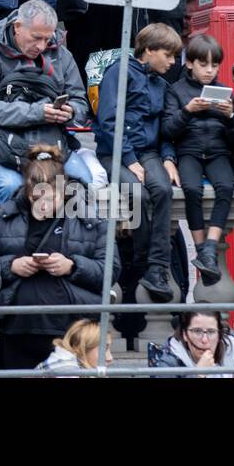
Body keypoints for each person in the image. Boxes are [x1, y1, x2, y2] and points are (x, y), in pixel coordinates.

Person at [0, 145, 114, 369]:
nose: (43, 204)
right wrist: (12, 265)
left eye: (51, 196)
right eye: (37, 196)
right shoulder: (4, 217)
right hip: (17, 329)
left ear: (64, 188)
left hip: (70, 332)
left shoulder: (91, 220)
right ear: (27, 191)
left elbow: (110, 271)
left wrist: (72, 266)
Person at [0, 1, 93, 208]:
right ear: (17, 27)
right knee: (11, 185)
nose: (42, 46)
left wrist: (71, 112)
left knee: (82, 182)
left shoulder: (61, 55)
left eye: (47, 38)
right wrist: (37, 112)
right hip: (2, 149)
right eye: (36, 38)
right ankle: (4, 238)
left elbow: (80, 103)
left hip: (52, 145)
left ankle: (75, 238)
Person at [94, 22, 182, 302]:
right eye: (168, 55)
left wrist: (168, 158)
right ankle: (144, 261)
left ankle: (158, 268)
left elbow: (166, 128)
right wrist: (130, 161)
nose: (172, 62)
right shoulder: (118, 73)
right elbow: (108, 121)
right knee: (138, 193)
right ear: (149, 50)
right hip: (115, 154)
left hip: (150, 154)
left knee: (164, 190)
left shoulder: (162, 84)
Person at [160, 33, 234, 285]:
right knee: (192, 189)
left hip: (218, 152)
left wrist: (231, 118)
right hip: (189, 152)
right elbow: (167, 131)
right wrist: (187, 111)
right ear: (189, 63)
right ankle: (199, 248)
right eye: (203, 64)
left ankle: (210, 248)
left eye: (214, 65)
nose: (209, 71)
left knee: (225, 187)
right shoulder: (176, 91)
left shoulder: (225, 91)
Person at [150, 310, 234, 375]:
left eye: (211, 332)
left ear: (220, 334)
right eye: (197, 331)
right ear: (185, 335)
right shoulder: (169, 360)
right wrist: (199, 374)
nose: (204, 340)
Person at [35, 318, 112, 373]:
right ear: (81, 348)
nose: (110, 358)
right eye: (104, 349)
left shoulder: (70, 365)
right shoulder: (65, 370)